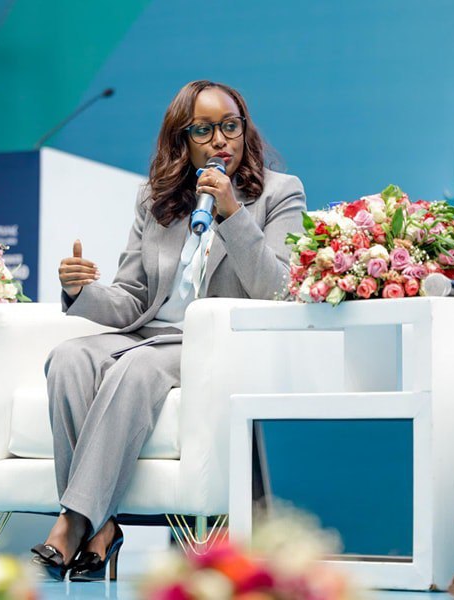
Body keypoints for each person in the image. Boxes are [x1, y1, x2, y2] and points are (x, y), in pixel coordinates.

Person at [30, 80, 306, 582]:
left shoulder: (279, 193)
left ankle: (72, 522)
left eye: (230, 126)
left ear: (244, 130)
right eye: (203, 130)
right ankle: (102, 528)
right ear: (182, 140)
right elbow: (133, 297)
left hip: (217, 343)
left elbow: (279, 289)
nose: (220, 139)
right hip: (149, 333)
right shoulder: (156, 200)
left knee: (137, 366)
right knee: (68, 357)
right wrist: (80, 291)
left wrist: (232, 213)